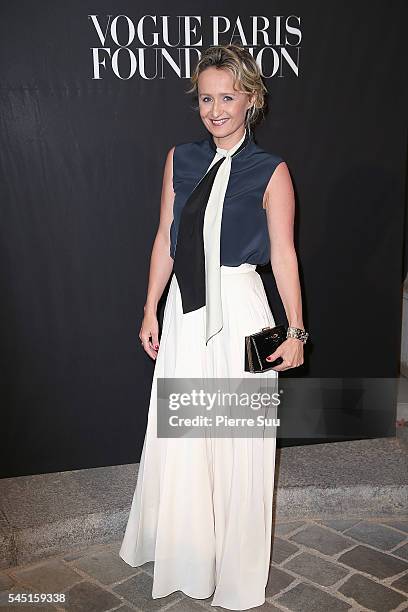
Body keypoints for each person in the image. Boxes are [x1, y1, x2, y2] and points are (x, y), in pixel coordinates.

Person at [119, 44, 308, 610]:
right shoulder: (180, 158)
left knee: (241, 437)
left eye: (228, 96)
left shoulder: (271, 169)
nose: (216, 108)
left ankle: (236, 562)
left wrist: (295, 332)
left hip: (247, 310)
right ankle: (187, 551)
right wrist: (151, 306)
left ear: (251, 99)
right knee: (186, 433)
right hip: (185, 308)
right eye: (206, 98)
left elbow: (284, 254)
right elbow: (164, 239)